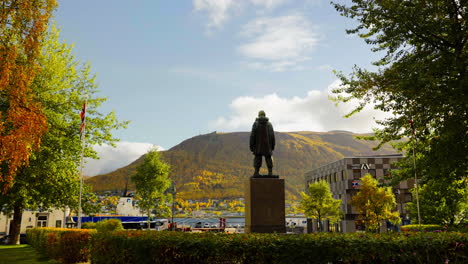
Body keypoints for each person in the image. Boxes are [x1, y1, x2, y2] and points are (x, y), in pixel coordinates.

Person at [249, 110, 275, 177]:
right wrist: (272, 146)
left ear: (259, 115)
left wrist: (251, 146)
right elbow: (272, 136)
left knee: (258, 158)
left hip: (258, 146)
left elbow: (252, 136)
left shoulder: (256, 124)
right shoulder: (269, 124)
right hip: (268, 146)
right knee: (268, 158)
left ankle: (256, 172)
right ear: (264, 115)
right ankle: (270, 172)